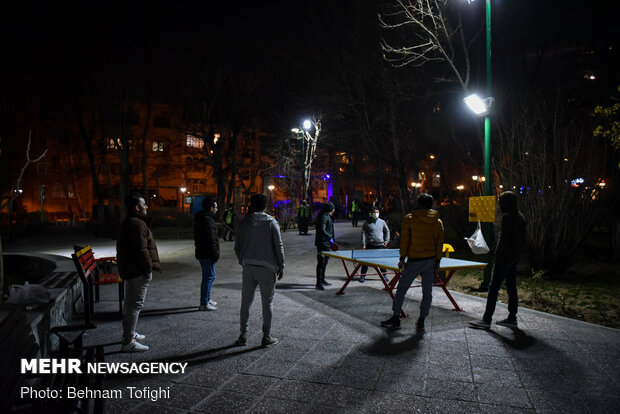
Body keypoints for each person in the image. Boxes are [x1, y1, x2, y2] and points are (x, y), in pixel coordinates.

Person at [381, 193, 443, 332]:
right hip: (430, 261)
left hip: (414, 260)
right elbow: (439, 243)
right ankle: (421, 320)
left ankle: (396, 318)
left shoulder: (410, 219)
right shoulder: (437, 221)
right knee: (427, 292)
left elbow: (405, 241)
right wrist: (438, 261)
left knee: (401, 290)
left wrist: (402, 258)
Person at [469, 191, 527, 330]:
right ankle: (512, 317)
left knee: (494, 287)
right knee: (511, 287)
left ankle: (486, 319)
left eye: (501, 201)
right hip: (513, 256)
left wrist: (497, 255)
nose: (499, 204)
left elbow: (503, 240)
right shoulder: (520, 217)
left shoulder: (507, 217)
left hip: (504, 257)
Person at [234, 194, 285, 348]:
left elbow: (237, 246)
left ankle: (243, 336)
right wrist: (281, 265)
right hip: (267, 267)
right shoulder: (271, 222)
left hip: (248, 266)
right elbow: (279, 245)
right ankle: (266, 336)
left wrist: (242, 260)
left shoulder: (244, 223)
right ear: (265, 205)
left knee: (246, 302)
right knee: (267, 302)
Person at [116, 192, 161, 352]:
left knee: (129, 304)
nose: (147, 206)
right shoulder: (137, 224)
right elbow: (141, 251)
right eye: (144, 204)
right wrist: (148, 269)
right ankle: (128, 342)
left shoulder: (131, 222)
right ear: (137, 207)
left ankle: (129, 334)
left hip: (130, 269)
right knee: (134, 305)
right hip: (136, 271)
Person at [194, 197, 220, 311]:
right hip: (207, 254)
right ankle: (204, 303)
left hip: (204, 252)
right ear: (211, 208)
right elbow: (211, 240)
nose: (217, 209)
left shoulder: (203, 218)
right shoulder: (207, 220)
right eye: (216, 207)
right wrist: (215, 254)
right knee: (208, 278)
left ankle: (207, 299)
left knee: (211, 276)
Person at [359, 206, 390, 283]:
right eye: (374, 212)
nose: (375, 214)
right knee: (365, 262)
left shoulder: (382, 222)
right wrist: (363, 244)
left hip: (380, 245)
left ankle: (384, 275)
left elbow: (387, 231)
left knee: (382, 262)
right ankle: (363, 276)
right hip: (370, 245)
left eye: (377, 212)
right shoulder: (367, 223)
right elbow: (363, 233)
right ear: (371, 213)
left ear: (379, 213)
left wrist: (386, 241)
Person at [315, 201, 335, 290]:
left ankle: (322, 279)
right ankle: (318, 283)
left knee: (325, 262)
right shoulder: (324, 217)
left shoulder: (326, 216)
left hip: (326, 243)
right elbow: (322, 229)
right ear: (331, 209)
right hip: (322, 243)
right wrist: (329, 237)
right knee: (321, 262)